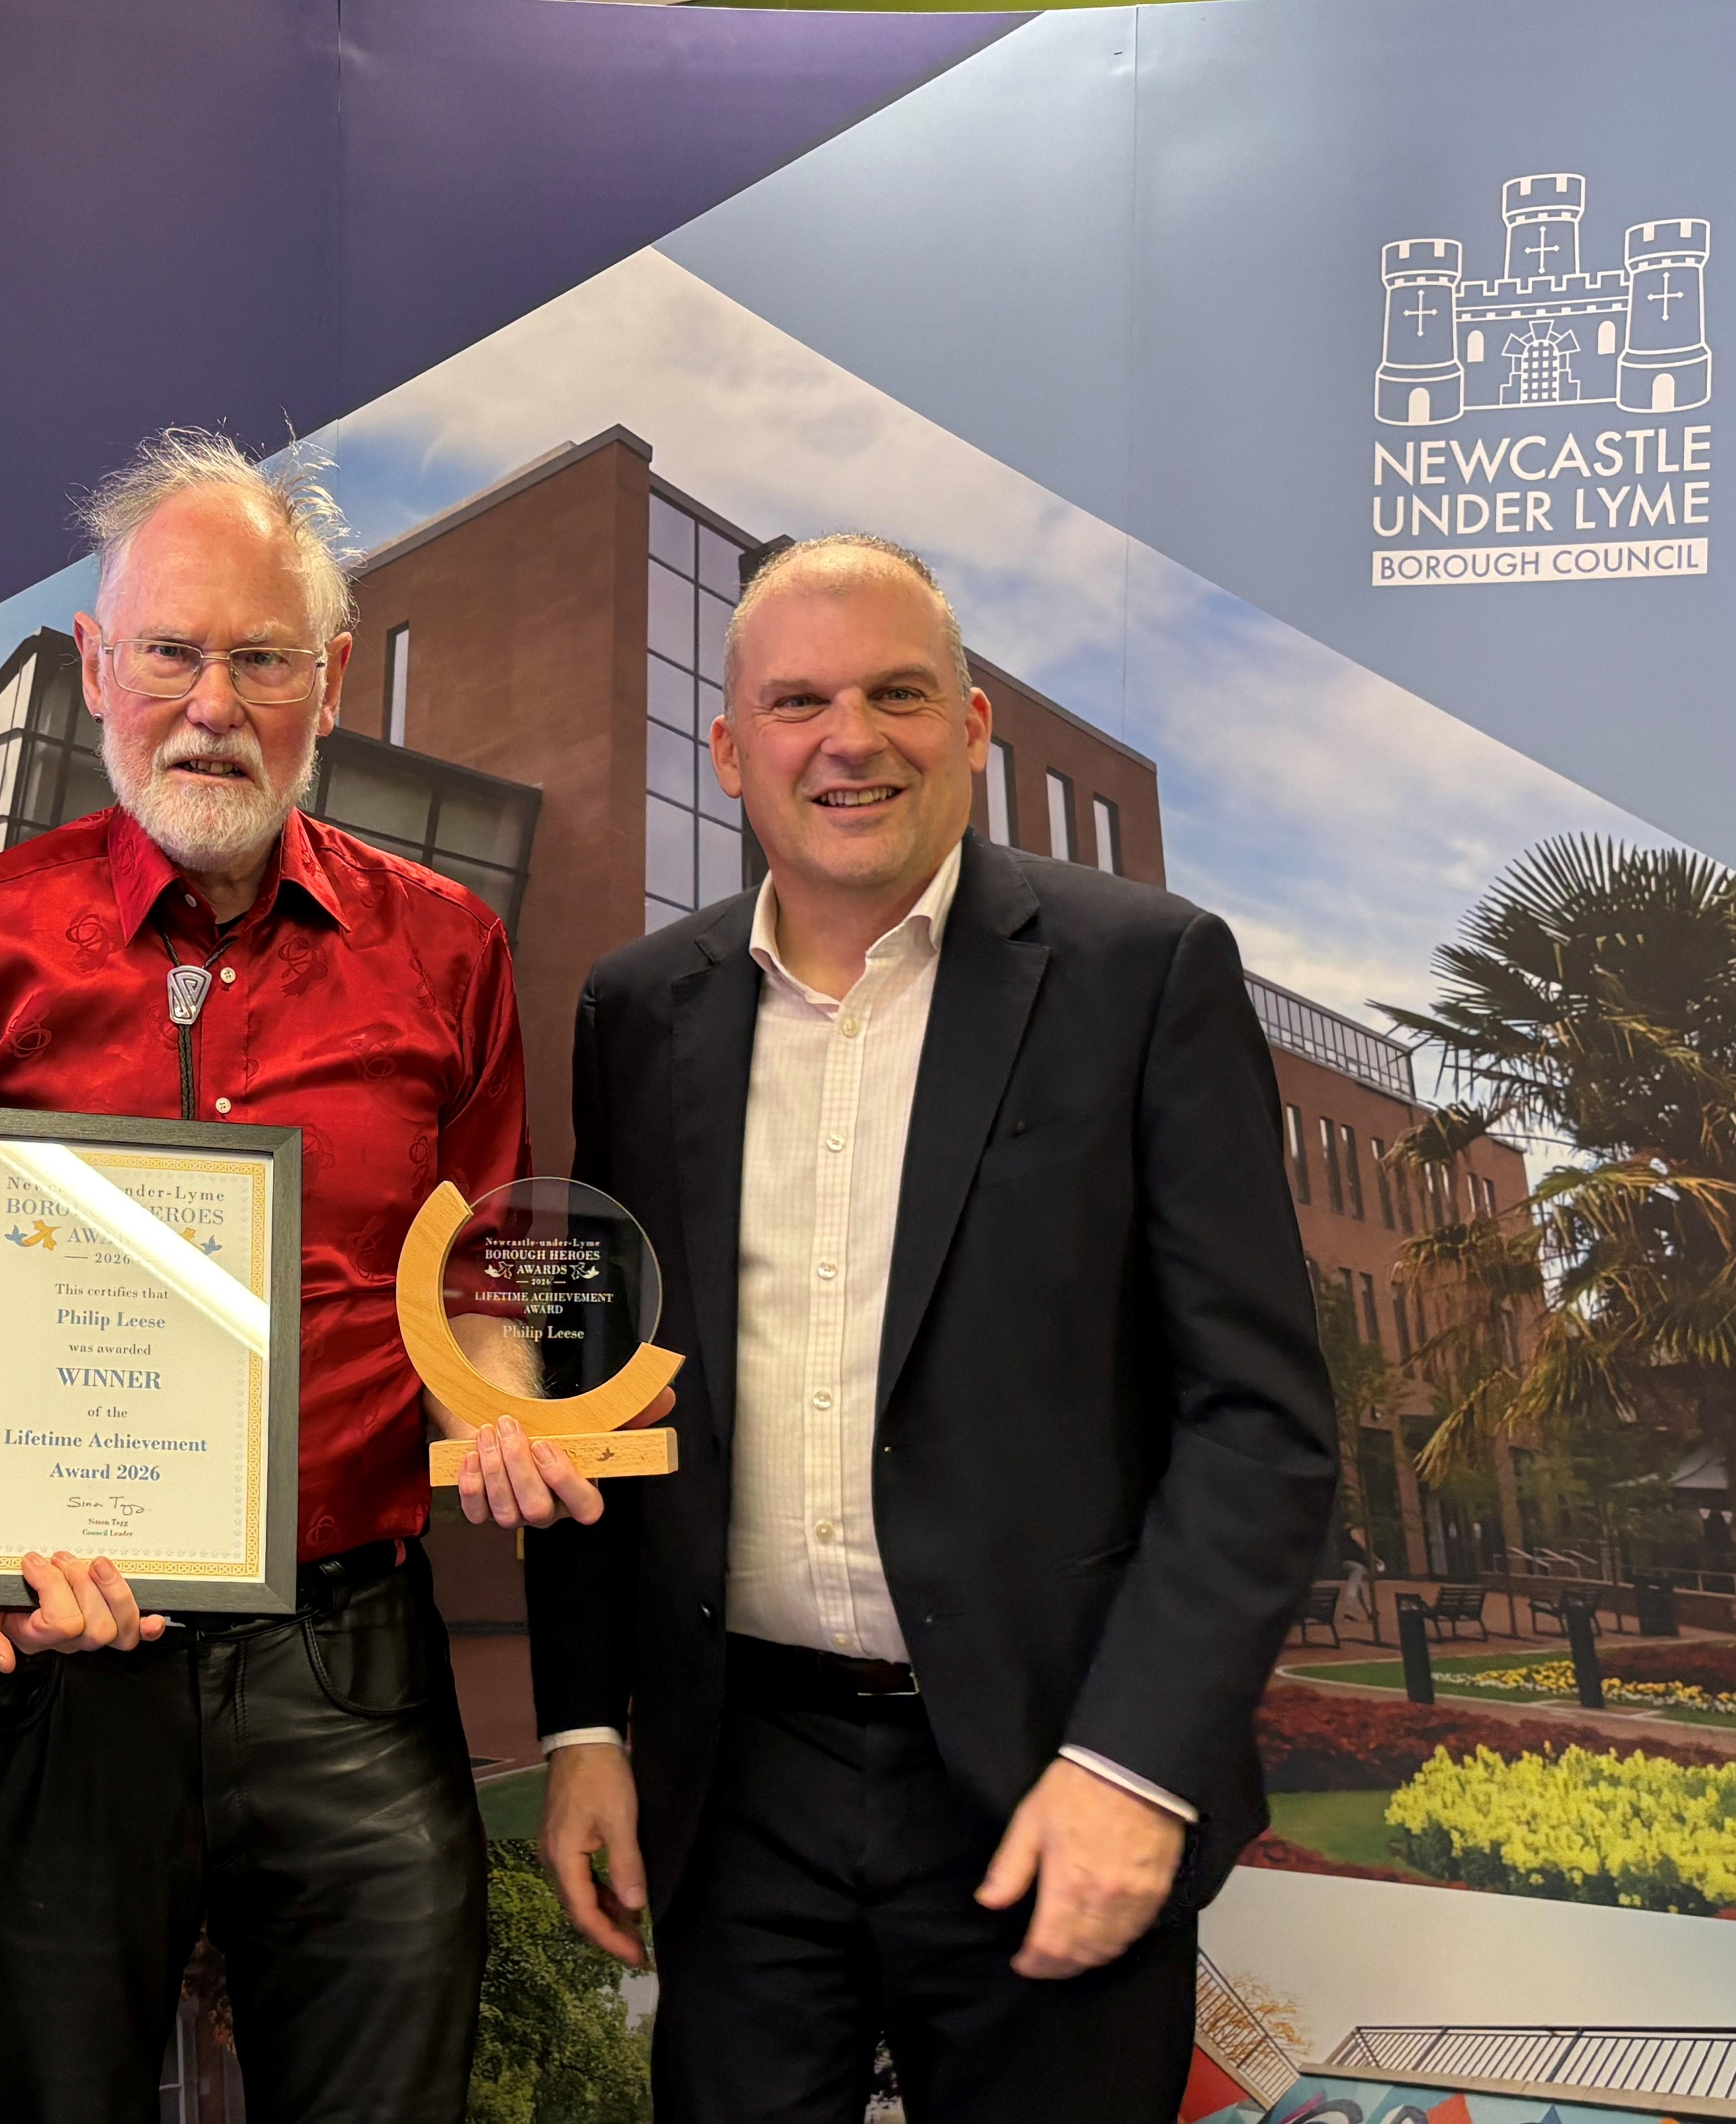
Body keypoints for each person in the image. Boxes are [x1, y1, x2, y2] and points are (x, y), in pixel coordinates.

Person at [0, 430, 598, 2123]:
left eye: (260, 658)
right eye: (170, 651)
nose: (211, 702)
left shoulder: (450, 950)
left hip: (353, 1665)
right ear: (100, 666)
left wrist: (503, 1404)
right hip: (49, 1685)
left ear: (329, 680)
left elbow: (475, 1277)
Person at [524, 533, 1337, 2122]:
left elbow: (1257, 1420)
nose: (850, 740)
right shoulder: (638, 1011)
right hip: (735, 1781)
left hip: (1051, 1778)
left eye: (898, 694)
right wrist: (577, 1723)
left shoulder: (1142, 975)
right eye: (799, 700)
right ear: (731, 746)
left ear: (966, 727)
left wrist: (1132, 1763)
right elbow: (602, 1387)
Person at [1337, 1523, 1377, 1625]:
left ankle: (1371, 1613)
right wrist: (1376, 1559)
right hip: (1357, 1564)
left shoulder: (1341, 1535)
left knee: (1362, 1589)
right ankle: (1348, 1614)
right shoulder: (1353, 1531)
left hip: (1346, 1562)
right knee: (1353, 1588)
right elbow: (1363, 1545)